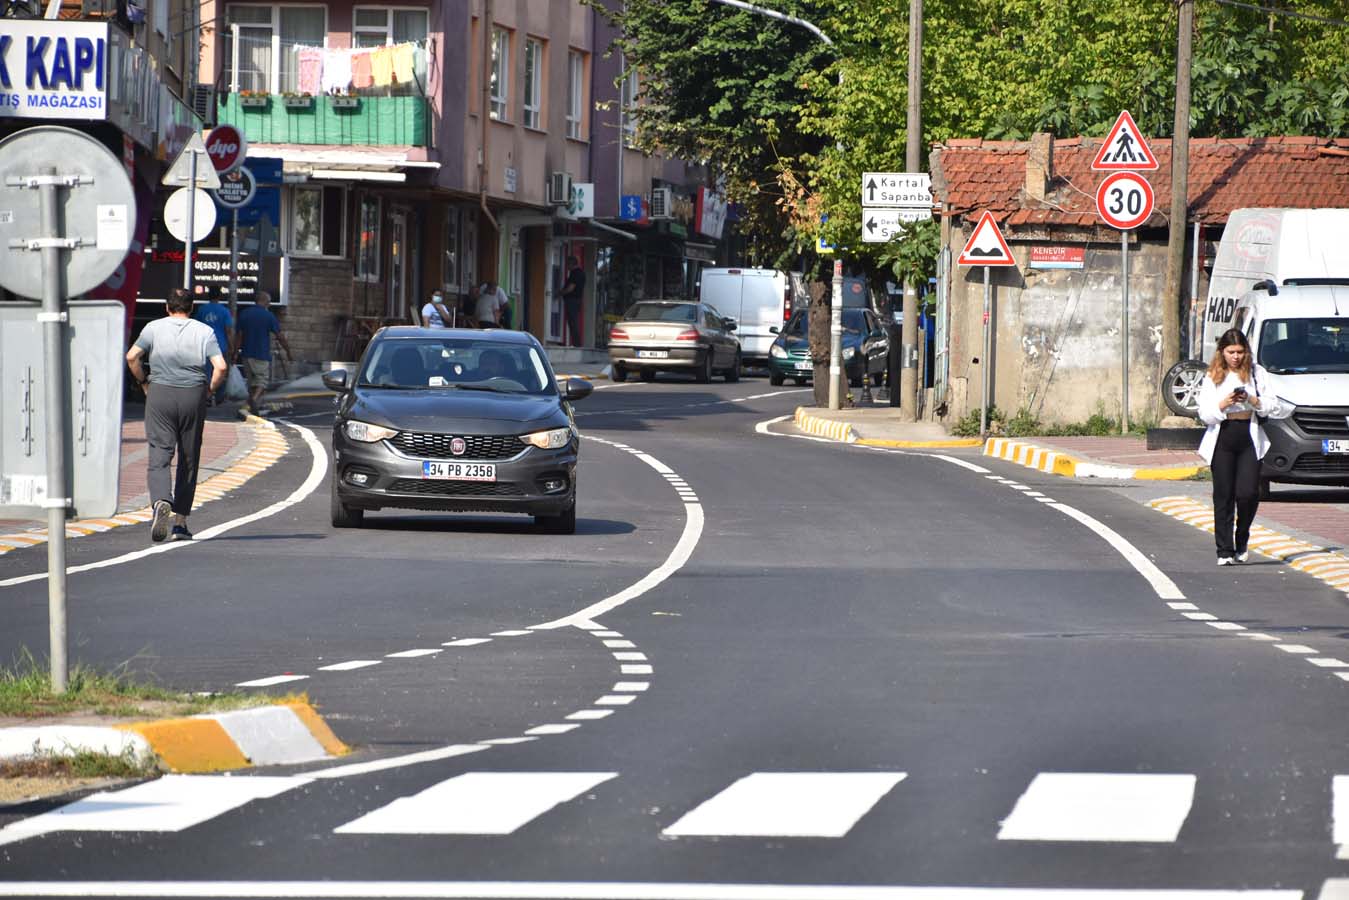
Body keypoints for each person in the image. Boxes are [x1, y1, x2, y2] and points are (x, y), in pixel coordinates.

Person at [126, 289, 228, 543]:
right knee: (189, 457)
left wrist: (143, 383)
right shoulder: (204, 331)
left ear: (167, 307)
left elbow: (132, 357)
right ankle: (180, 523)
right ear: (192, 308)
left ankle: (161, 500)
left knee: (160, 453)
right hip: (193, 394)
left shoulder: (153, 328)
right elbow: (221, 366)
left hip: (160, 393)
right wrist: (210, 390)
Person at [1196, 328, 1292, 566]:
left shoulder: (1257, 373)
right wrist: (1224, 402)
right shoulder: (1213, 375)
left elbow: (1274, 407)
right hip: (1223, 437)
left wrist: (1252, 399)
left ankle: (1242, 536)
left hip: (1249, 436)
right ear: (1222, 352)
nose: (1236, 357)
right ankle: (1224, 550)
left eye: (1240, 352)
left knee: (1248, 493)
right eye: (1231, 352)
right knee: (1224, 495)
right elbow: (1204, 414)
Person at [232, 290, 291, 416]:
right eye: (268, 302)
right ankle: (253, 401)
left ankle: (252, 406)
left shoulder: (244, 314)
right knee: (262, 382)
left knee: (252, 382)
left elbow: (239, 336)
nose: (269, 305)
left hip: (246, 354)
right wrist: (288, 351)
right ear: (264, 301)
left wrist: (235, 353)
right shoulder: (269, 316)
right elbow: (280, 336)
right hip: (261, 354)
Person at [193, 289, 233, 405]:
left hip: (204, 345)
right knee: (221, 371)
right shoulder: (224, 311)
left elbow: (196, 327)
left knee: (206, 372)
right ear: (219, 297)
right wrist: (232, 347)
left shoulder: (202, 309)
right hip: (220, 346)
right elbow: (228, 331)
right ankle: (219, 397)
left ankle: (206, 397)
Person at [560, 256, 585, 347]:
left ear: (571, 264)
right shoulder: (581, 273)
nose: (567, 266)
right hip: (577, 300)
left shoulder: (575, 273)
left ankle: (577, 344)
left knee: (573, 322)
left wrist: (560, 293)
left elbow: (571, 288)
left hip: (572, 301)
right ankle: (576, 343)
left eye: (568, 264)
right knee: (574, 321)